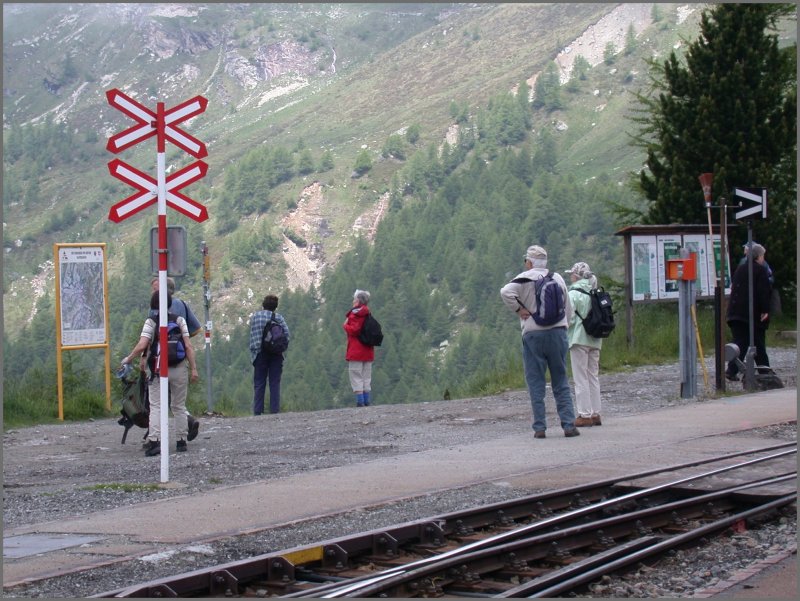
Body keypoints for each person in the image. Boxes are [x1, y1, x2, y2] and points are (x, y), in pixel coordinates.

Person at [500, 245, 580, 439]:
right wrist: (563, 326)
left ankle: (539, 427)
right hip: (557, 333)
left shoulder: (523, 278)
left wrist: (519, 310)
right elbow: (568, 307)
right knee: (560, 379)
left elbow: (505, 292)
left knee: (535, 381)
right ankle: (568, 425)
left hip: (533, 335)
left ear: (529, 262)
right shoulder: (557, 278)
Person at [121, 291, 199, 456]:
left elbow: (142, 345)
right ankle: (181, 441)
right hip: (179, 368)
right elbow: (188, 346)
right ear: (170, 303)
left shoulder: (151, 322)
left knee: (156, 406)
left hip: (158, 369)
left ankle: (155, 441)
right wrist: (193, 368)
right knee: (178, 406)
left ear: (153, 304)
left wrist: (129, 359)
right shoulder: (179, 320)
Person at [150, 276, 201, 442]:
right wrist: (178, 341)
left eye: (156, 288)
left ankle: (154, 437)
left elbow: (150, 333)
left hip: (159, 358)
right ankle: (182, 437)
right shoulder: (183, 304)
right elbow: (196, 328)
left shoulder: (157, 307)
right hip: (179, 357)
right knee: (177, 399)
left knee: (156, 401)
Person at [726, 243, 772, 381]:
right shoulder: (760, 270)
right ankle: (765, 371)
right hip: (750, 315)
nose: (763, 258)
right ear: (758, 256)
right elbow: (763, 292)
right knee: (756, 343)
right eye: (763, 255)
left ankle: (732, 370)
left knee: (741, 343)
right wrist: (765, 310)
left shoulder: (740, 269)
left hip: (735, 313)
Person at [565, 262, 603, 427]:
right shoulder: (595, 291)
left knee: (580, 377)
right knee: (593, 376)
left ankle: (584, 414)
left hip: (579, 339)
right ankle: (596, 413)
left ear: (576, 276)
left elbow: (570, 318)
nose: (570, 276)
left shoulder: (573, 293)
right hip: (595, 338)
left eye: (571, 274)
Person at [249, 294, 290, 415]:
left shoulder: (256, 317)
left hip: (260, 353)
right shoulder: (278, 318)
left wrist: (254, 353)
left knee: (259, 383)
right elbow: (287, 335)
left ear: (263, 304)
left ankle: (258, 411)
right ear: (275, 307)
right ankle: (274, 410)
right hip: (276, 354)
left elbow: (253, 336)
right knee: (274, 382)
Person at [343, 289, 374, 407]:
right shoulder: (369, 314)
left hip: (356, 351)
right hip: (368, 351)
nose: (353, 300)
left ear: (357, 301)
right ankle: (367, 401)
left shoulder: (354, 315)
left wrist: (345, 326)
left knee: (356, 375)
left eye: (354, 298)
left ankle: (360, 402)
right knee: (366, 376)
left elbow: (355, 330)